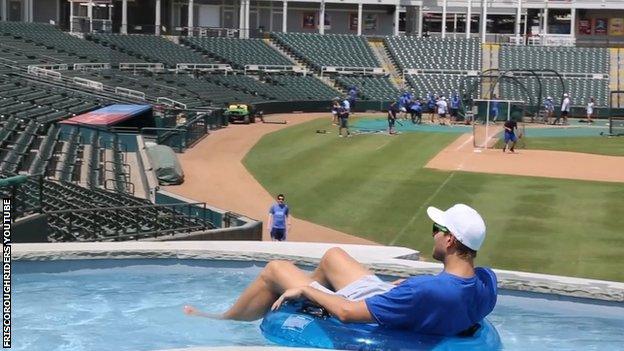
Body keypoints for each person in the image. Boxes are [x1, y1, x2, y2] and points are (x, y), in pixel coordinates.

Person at [183, 204, 497, 338]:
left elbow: (347, 314)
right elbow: (450, 294)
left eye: (437, 229)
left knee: (276, 269)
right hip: (396, 301)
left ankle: (222, 319)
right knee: (333, 255)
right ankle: (303, 303)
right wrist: (403, 289)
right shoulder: (487, 281)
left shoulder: (425, 291)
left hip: (369, 314)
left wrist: (309, 289)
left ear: (451, 239)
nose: (433, 234)